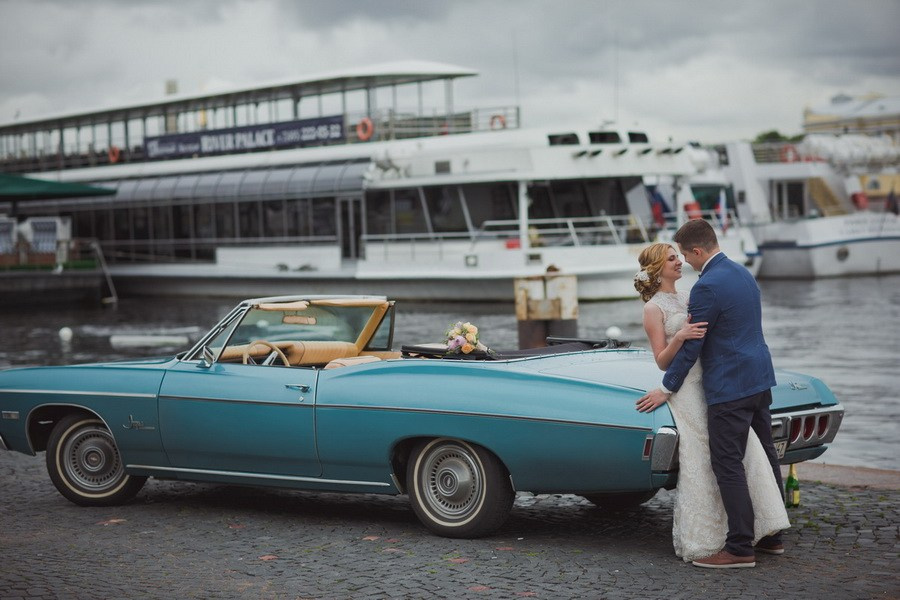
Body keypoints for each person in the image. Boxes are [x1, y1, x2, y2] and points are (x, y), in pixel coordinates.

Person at [635, 226, 789, 569]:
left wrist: (666, 388)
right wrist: (679, 342)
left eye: (682, 254)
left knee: (727, 462)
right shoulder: (742, 273)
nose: (682, 261)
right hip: (759, 378)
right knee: (762, 455)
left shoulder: (705, 287)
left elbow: (694, 347)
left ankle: (739, 547)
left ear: (697, 251)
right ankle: (771, 536)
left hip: (728, 386)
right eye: (673, 257)